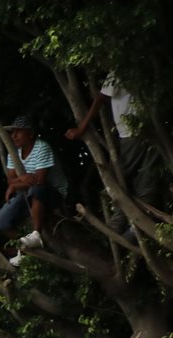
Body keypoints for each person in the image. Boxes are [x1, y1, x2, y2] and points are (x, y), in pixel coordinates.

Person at [65, 75, 160, 239]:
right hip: (150, 127)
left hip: (133, 132)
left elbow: (100, 98)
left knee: (121, 177)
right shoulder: (136, 63)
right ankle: (134, 229)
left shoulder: (118, 70)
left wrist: (81, 128)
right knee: (145, 178)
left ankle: (120, 225)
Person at [0, 115, 69, 256]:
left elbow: (39, 180)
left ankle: (36, 234)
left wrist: (15, 185)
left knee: (37, 189)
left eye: (19, 131)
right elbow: (10, 180)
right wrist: (20, 179)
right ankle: (24, 250)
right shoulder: (13, 153)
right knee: (0, 221)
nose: (14, 135)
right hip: (26, 192)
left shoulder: (42, 147)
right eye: (12, 132)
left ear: (31, 133)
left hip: (53, 193)